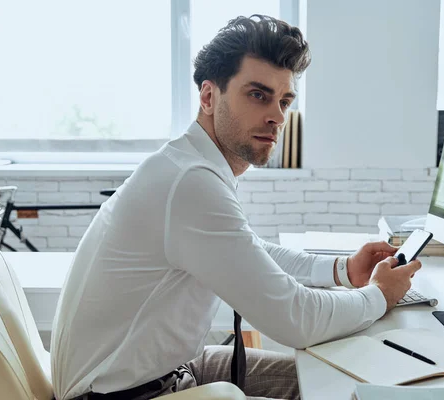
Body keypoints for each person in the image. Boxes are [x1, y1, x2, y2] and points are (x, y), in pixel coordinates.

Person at [50, 14, 422, 400]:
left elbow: (246, 249)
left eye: (285, 100)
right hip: (122, 395)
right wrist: (379, 294)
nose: (277, 115)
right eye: (258, 95)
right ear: (209, 97)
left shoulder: (190, 165)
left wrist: (342, 270)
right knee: (340, 391)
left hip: (166, 371)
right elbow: (295, 319)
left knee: (335, 380)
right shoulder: (190, 183)